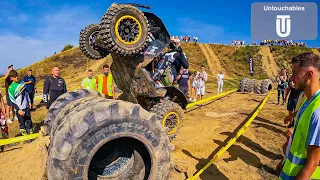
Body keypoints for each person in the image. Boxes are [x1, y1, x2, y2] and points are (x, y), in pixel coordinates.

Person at [279, 52, 320, 179]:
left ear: (309, 74)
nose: (291, 78)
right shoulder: (308, 101)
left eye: (295, 73)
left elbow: (312, 164)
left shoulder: (318, 111)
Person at [8, 70, 33, 135]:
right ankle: (25, 137)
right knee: (22, 124)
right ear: (11, 78)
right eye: (15, 77)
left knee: (28, 121)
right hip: (19, 108)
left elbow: (26, 93)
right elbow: (12, 100)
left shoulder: (22, 82)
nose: (17, 77)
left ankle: (30, 136)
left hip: (26, 106)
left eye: (17, 76)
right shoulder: (10, 88)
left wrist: (29, 102)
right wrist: (18, 110)